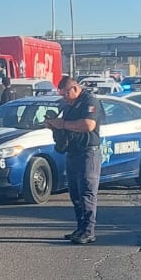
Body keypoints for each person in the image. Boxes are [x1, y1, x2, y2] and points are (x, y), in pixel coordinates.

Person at [43, 75, 103, 244]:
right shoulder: (68, 104)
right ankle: (80, 228)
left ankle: (89, 230)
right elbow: (65, 123)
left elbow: (88, 125)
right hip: (73, 152)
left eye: (65, 94)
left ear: (75, 89)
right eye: (62, 95)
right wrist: (53, 124)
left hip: (87, 152)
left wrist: (62, 124)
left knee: (87, 192)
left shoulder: (89, 101)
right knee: (75, 193)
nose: (64, 98)